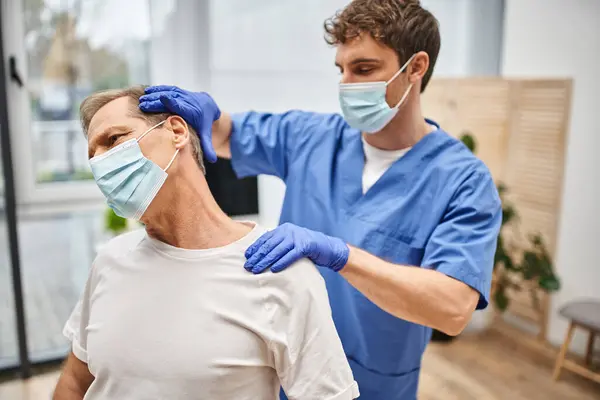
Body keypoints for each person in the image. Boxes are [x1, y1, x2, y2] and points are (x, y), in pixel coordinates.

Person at [139, 0, 502, 398]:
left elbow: (452, 308)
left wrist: (341, 255)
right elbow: (227, 135)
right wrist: (206, 114)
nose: (346, 83)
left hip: (375, 384)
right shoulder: (311, 137)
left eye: (363, 69)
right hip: (287, 372)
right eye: (341, 69)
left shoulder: (463, 180)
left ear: (415, 68)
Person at [53, 86, 359, 400]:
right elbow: (75, 383)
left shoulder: (278, 273)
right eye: (93, 155)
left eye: (113, 140)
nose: (100, 164)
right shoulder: (110, 261)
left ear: (176, 131)